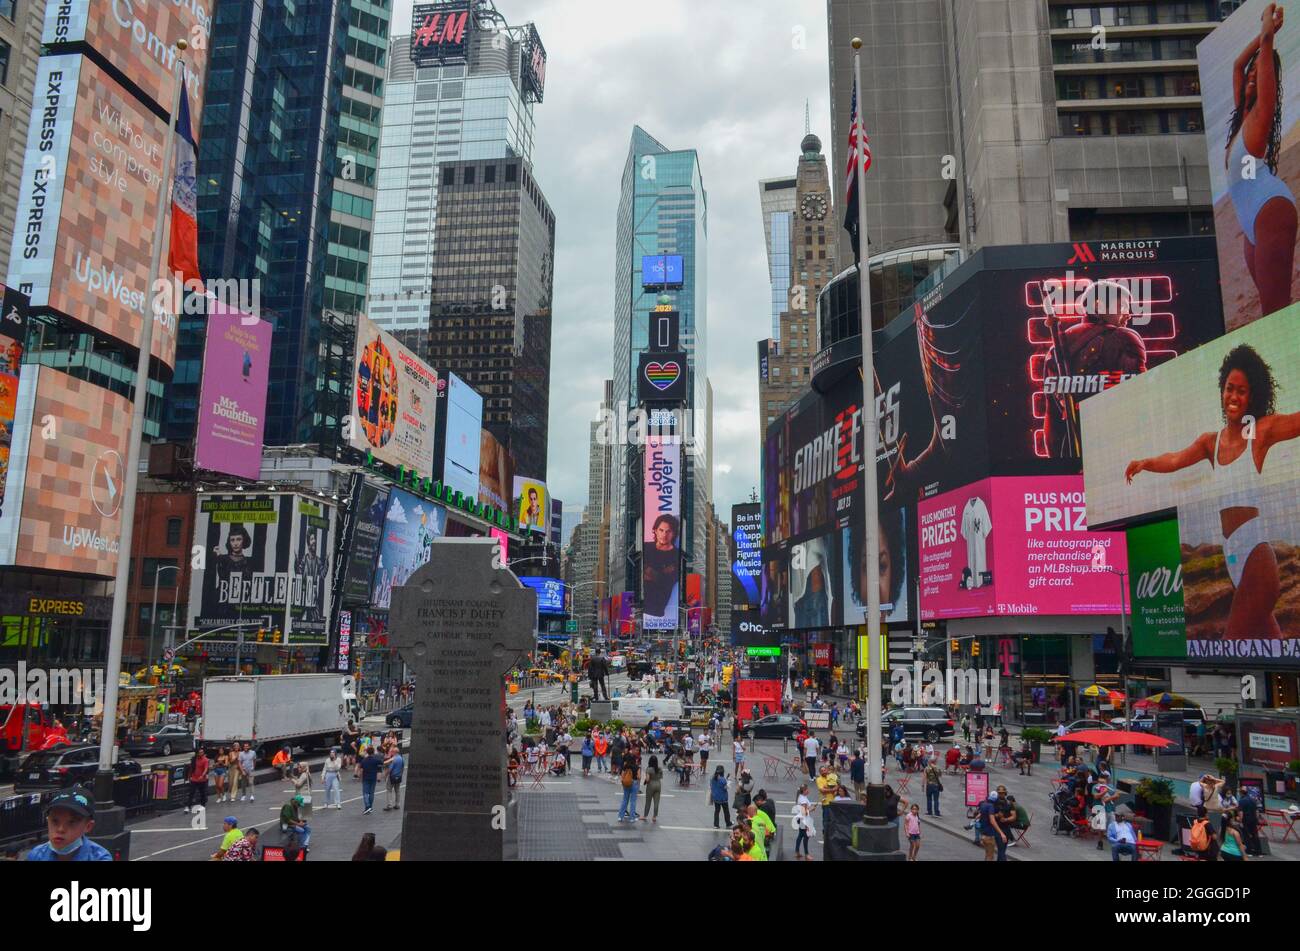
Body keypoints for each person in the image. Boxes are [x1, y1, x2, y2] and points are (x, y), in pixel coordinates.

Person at [1127, 344, 1300, 641]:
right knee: (1273, 647)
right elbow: (1176, 459)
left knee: (1231, 642)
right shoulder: (1212, 442)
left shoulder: (1260, 431)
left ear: (1253, 395)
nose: (1233, 396)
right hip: (1233, 556)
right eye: (1229, 388)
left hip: (1257, 555)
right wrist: (1145, 463)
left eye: (1242, 391)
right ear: (1222, 389)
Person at [1224, 3, 1296, 318]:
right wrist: (1261, 35)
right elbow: (1238, 66)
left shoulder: (1261, 112)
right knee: (1271, 309)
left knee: (1274, 310)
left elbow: (1266, 46)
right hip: (1250, 219)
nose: (1251, 77)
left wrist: (1269, 25)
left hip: (1270, 207)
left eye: (1258, 73)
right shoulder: (1242, 115)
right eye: (1253, 74)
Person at [25, 787, 112, 861]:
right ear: (48, 821)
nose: (60, 829)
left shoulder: (99, 857)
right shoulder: (36, 855)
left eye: (71, 822)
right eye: (55, 821)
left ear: (88, 826)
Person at [357, 744, 384, 815]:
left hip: (365, 778)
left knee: (365, 793)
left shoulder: (364, 761)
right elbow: (382, 763)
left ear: (367, 752)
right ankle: (370, 807)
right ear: (373, 752)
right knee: (371, 793)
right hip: (373, 778)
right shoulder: (375, 760)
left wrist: (360, 777)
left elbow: (361, 770)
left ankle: (367, 806)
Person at [791, 792, 815, 861]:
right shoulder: (803, 800)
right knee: (806, 836)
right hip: (804, 820)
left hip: (801, 819)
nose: (808, 790)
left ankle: (797, 851)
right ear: (804, 791)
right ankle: (807, 854)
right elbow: (804, 812)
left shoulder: (800, 797)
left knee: (800, 835)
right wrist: (811, 809)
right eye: (807, 789)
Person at [617, 752, 640, 822]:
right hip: (634, 783)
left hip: (626, 783)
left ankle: (620, 816)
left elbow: (622, 776)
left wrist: (623, 782)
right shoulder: (637, 767)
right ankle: (632, 818)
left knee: (625, 799)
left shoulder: (625, 766)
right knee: (633, 801)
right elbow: (639, 777)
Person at [186, 747, 210, 813]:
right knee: (191, 793)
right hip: (194, 779)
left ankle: (203, 806)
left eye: (202, 752)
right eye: (199, 752)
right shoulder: (194, 759)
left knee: (202, 793)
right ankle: (188, 806)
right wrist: (189, 777)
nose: (201, 754)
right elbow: (191, 768)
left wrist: (202, 775)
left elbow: (205, 769)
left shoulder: (205, 760)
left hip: (202, 780)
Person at [641, 755, 663, 823]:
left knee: (648, 801)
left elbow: (647, 779)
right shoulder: (660, 768)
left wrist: (645, 781)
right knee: (656, 802)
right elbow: (661, 777)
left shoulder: (649, 769)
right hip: (658, 784)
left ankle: (645, 816)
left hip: (651, 785)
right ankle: (654, 816)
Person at [383, 746, 404, 812]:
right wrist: (400, 774)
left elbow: (390, 769)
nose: (391, 752)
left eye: (392, 751)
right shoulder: (401, 758)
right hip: (398, 776)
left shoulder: (393, 759)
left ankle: (389, 805)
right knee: (397, 791)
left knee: (389, 790)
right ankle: (397, 804)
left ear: (394, 752)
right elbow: (402, 768)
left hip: (392, 776)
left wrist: (386, 776)